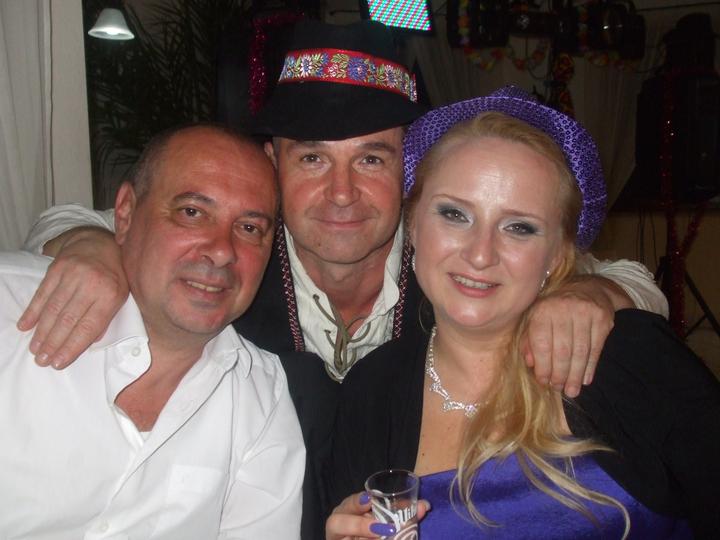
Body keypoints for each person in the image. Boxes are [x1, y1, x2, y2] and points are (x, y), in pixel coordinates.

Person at [19, 21, 666, 539]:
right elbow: (76, 219)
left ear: (409, 172)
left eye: (372, 159)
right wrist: (94, 247)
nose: (341, 193)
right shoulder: (233, 255)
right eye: (312, 158)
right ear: (272, 164)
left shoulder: (451, 261)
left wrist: (588, 294)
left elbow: (631, 280)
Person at [326, 88, 720, 540]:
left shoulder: (628, 357)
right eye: (454, 214)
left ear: (558, 254)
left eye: (519, 227)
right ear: (412, 224)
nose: (480, 254)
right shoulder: (371, 390)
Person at [0, 125, 305, 539]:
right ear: (124, 214)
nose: (221, 250)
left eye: (250, 228)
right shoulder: (11, 309)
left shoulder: (260, 394)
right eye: (192, 213)